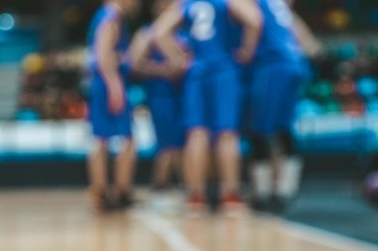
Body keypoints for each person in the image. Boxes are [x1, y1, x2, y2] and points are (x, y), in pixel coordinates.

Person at [153, 0, 261, 213]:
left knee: (196, 133)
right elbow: (255, 21)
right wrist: (248, 49)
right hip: (224, 70)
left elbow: (159, 32)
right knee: (227, 134)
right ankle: (230, 193)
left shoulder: (187, 4)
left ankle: (196, 195)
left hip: (197, 72)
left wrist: (178, 57)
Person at [247, 0, 323, 212]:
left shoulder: (254, 3)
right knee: (283, 128)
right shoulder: (278, 5)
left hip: (273, 66)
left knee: (260, 130)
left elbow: (252, 23)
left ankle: (263, 192)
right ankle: (284, 189)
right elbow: (310, 43)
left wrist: (245, 51)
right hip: (294, 65)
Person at [86, 0, 141, 211]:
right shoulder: (112, 16)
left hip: (101, 82)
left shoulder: (102, 14)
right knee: (126, 139)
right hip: (109, 82)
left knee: (100, 138)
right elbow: (103, 54)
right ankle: (121, 191)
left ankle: (101, 193)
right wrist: (114, 86)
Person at [129, 0, 187, 196]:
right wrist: (164, 71)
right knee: (168, 142)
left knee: (181, 140)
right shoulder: (148, 33)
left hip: (182, 95)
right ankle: (163, 185)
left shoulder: (184, 31)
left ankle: (181, 185)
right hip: (161, 95)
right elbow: (135, 63)